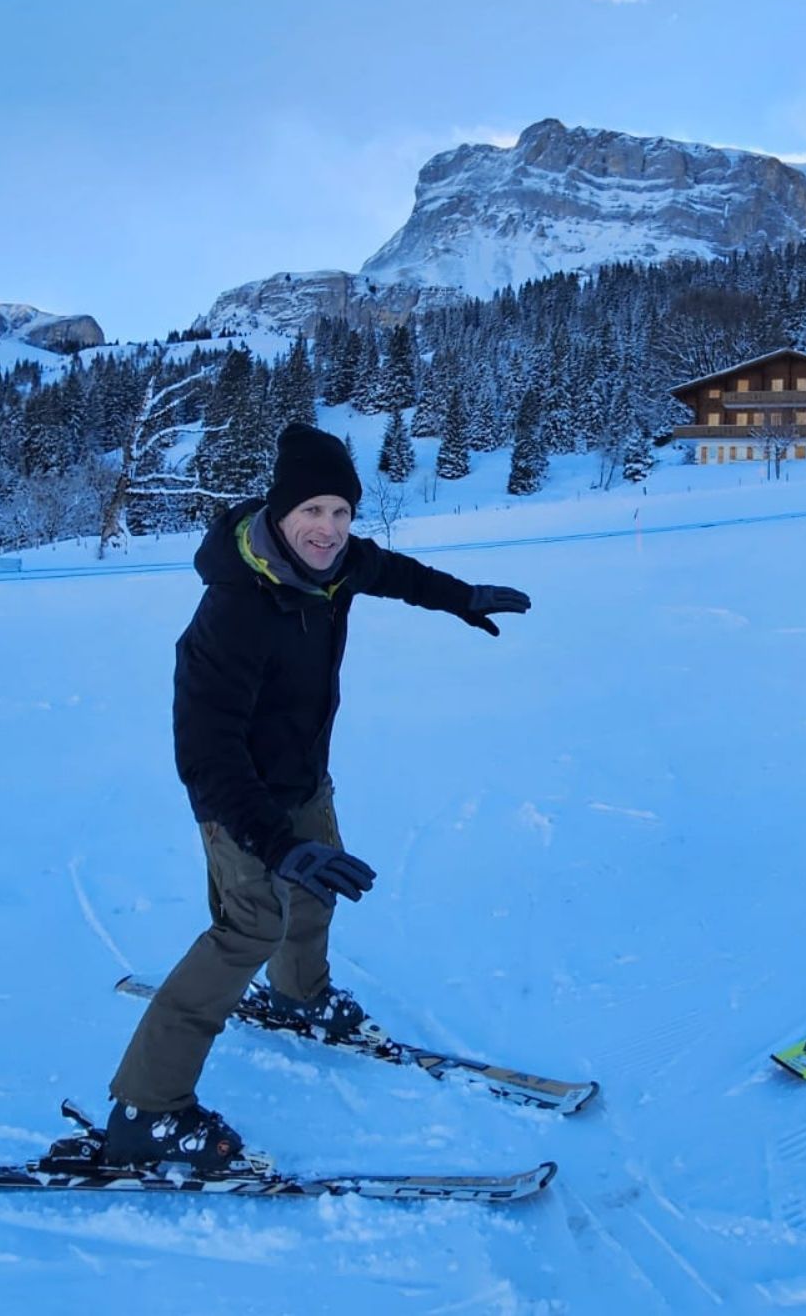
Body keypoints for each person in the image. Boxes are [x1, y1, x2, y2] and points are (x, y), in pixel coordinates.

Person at [104, 422, 533, 1170]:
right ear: (278, 513)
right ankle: (148, 1107)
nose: (329, 530)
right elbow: (205, 754)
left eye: (341, 512)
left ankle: (301, 998)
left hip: (305, 776)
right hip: (235, 797)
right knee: (249, 927)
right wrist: (276, 843)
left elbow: (391, 572)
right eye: (313, 513)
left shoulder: (335, 567)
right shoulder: (232, 611)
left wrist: (460, 597)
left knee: (317, 891)